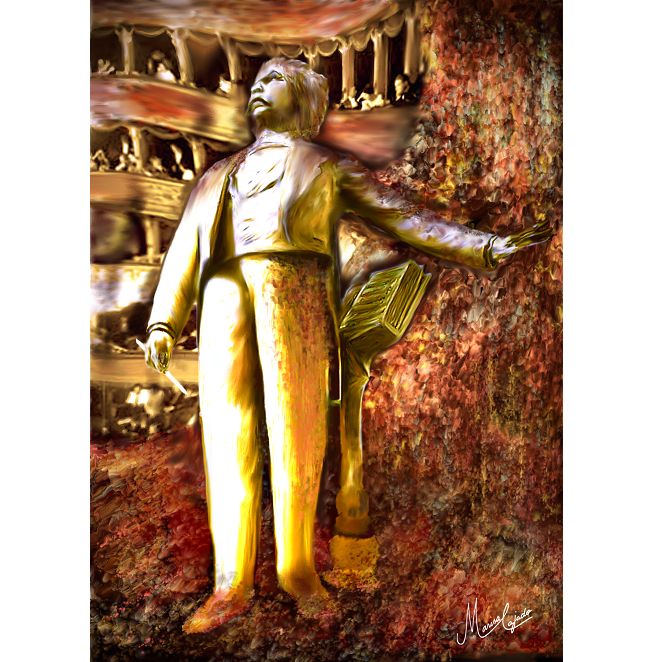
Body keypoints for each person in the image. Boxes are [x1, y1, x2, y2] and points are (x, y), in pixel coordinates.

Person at [142, 58, 550, 633]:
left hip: (293, 287)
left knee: (298, 431)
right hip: (221, 296)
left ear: (304, 100)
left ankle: (298, 572)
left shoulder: (325, 166)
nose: (258, 88)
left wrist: (484, 247)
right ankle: (230, 585)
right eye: (257, 81)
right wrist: (163, 323)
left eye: (274, 81)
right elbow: (184, 248)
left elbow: (403, 217)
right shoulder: (216, 176)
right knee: (227, 438)